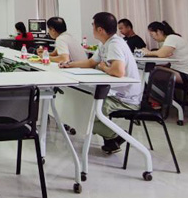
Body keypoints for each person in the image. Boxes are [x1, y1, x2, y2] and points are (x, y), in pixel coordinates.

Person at [60, 12, 142, 154]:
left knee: (85, 113)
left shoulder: (115, 44)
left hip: (125, 98)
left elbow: (118, 71)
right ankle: (112, 140)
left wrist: (104, 68)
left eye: (93, 25)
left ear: (100, 30)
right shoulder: (105, 43)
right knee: (81, 106)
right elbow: (91, 62)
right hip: (114, 92)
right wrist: (69, 64)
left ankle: (117, 135)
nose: (92, 28)